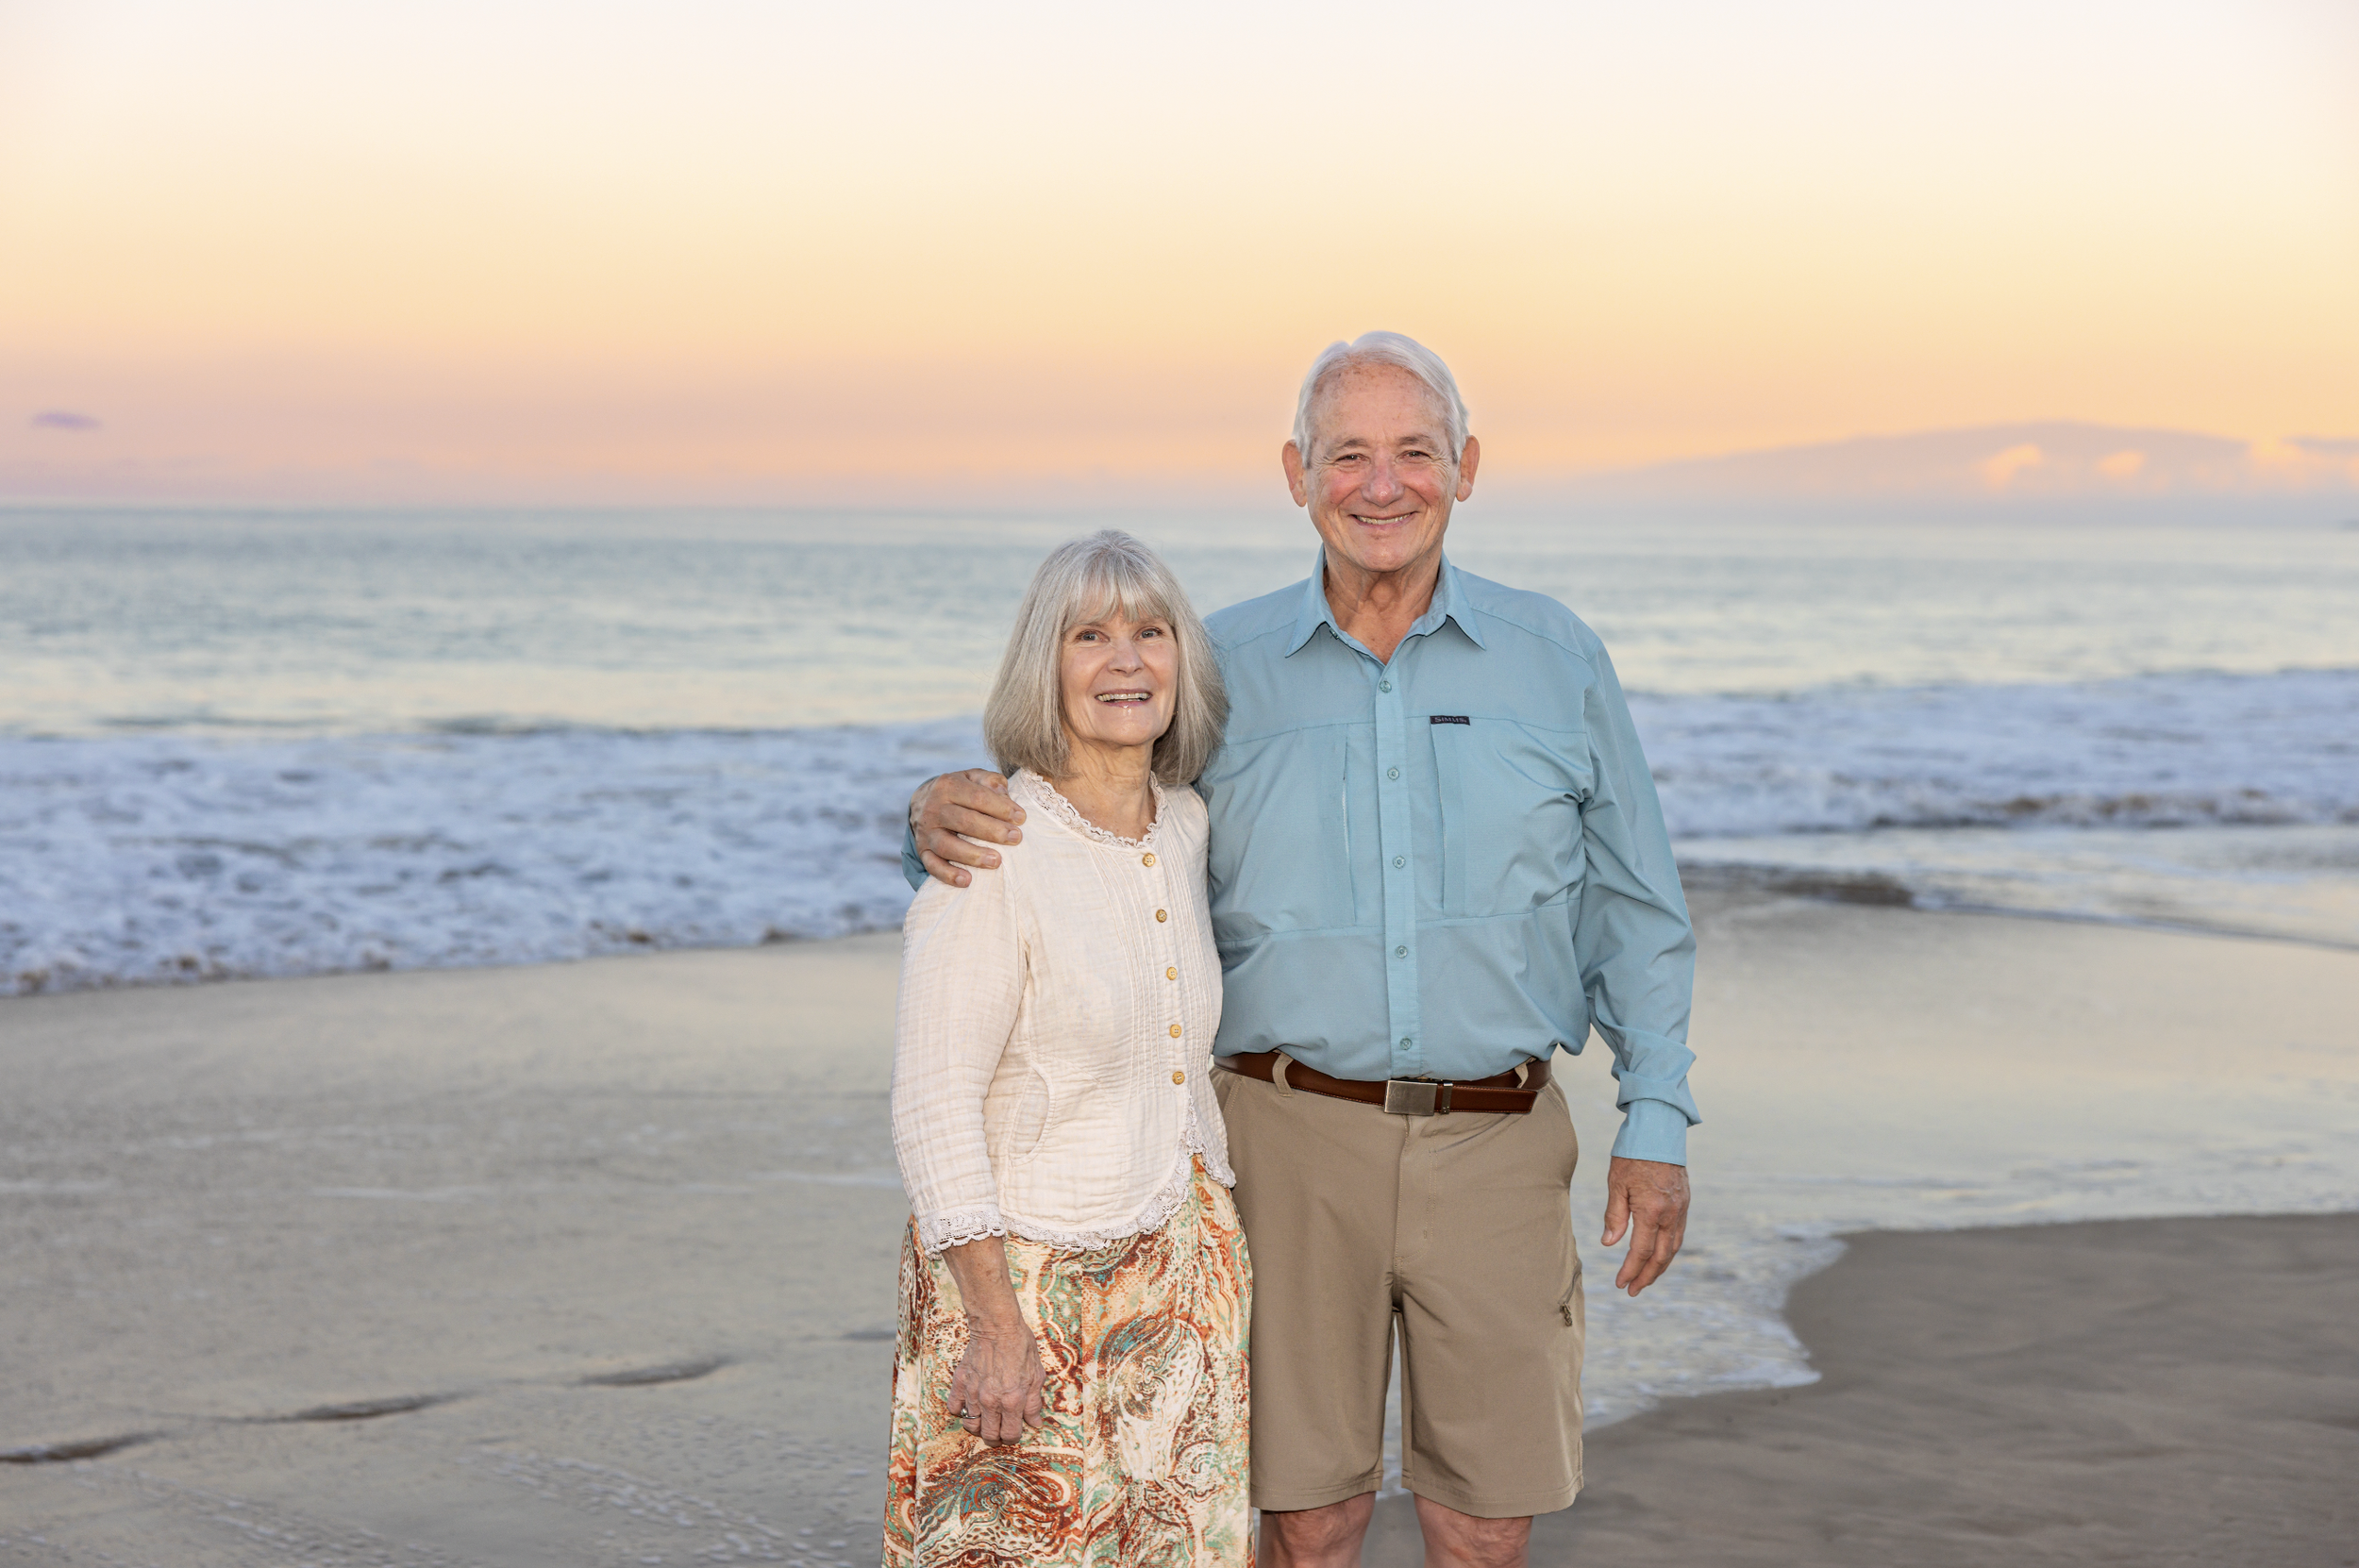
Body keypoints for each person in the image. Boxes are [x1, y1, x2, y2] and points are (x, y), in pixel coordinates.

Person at [906, 333, 1698, 1568]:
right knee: (1301, 1515)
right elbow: (1079, 819)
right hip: (1281, 1144)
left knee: (1484, 1517)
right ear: (1296, 473)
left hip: (1497, 1140)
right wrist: (935, 813)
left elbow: (1636, 905)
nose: (1381, 486)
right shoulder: (1215, 667)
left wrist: (1657, 1114)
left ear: (1467, 467)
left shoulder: (1558, 658)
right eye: (1348, 456)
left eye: (1414, 452)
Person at [882, 530, 1249, 1568]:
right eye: (1088, 635)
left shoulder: (1184, 827)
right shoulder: (994, 845)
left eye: (1150, 631)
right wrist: (994, 1325)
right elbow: (931, 1103)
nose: (1125, 660)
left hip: (1184, 1280)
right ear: (1043, 668)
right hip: (1026, 1293)